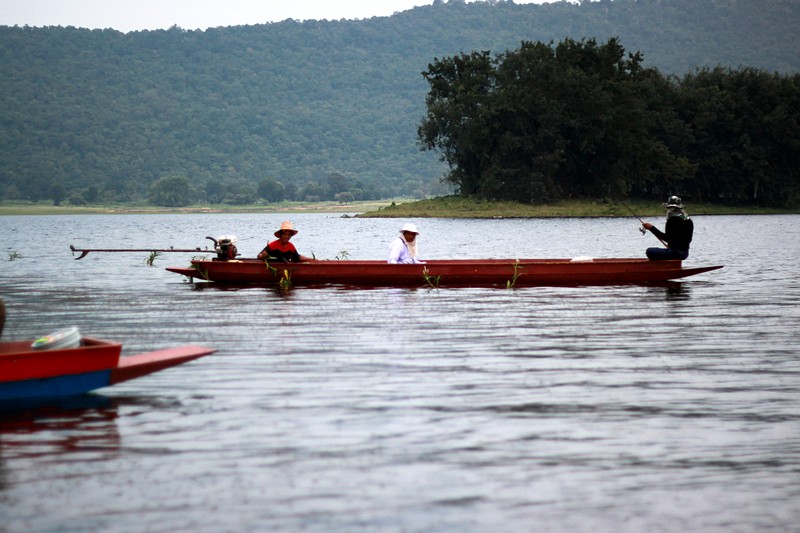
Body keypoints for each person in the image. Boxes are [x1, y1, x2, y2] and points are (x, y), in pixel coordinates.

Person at [642, 196, 694, 260]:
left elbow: (667, 238)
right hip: (685, 254)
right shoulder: (689, 220)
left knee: (649, 251)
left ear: (671, 208)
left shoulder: (672, 220)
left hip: (676, 253)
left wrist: (651, 228)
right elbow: (688, 240)